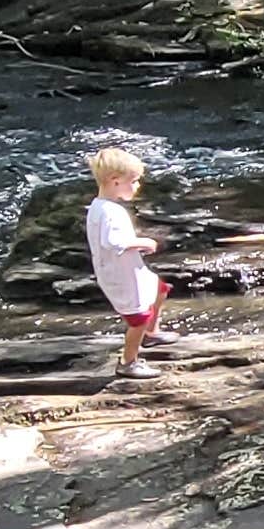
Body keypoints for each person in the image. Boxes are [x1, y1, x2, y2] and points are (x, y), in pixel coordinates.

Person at [83, 147, 171, 379]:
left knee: (159, 289)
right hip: (119, 274)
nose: (137, 186)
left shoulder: (99, 206)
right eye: (133, 181)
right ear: (115, 181)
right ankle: (128, 362)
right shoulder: (111, 212)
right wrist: (143, 243)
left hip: (128, 269)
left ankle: (152, 333)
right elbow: (113, 241)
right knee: (137, 317)